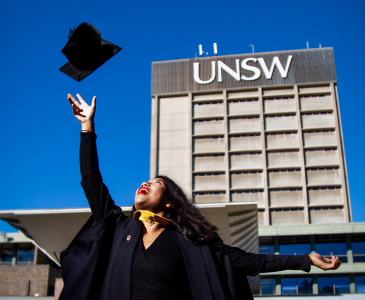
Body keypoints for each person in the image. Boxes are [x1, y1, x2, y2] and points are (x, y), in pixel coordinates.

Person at [60, 93, 341, 300]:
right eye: (146, 180)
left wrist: (305, 260)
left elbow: (251, 262)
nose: (145, 182)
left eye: (157, 183)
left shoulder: (191, 243)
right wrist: (87, 128)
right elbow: (91, 181)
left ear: (170, 202)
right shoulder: (120, 228)